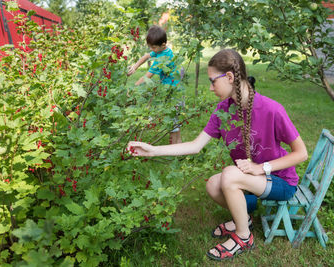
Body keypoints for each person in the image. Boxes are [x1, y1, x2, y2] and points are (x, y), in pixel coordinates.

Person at [127, 49, 308, 261]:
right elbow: (195, 146)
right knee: (213, 184)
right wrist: (153, 150)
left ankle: (243, 237)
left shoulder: (272, 110)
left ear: (230, 77)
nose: (211, 88)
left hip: (280, 181)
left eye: (213, 81)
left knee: (229, 175)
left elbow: (302, 153)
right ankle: (245, 219)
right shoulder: (223, 110)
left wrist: (262, 168)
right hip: (253, 180)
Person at [127, 25, 182, 144]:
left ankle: (174, 150)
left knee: (172, 122)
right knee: (175, 122)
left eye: (153, 47)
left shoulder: (163, 57)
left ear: (163, 45)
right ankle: (179, 147)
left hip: (173, 93)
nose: (152, 49)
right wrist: (134, 67)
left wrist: (133, 88)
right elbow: (147, 56)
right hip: (173, 89)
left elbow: (146, 77)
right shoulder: (162, 50)